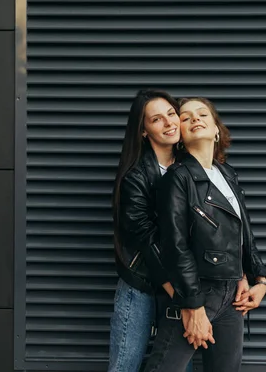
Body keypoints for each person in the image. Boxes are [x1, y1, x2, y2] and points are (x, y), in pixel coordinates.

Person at [143, 97, 266, 372]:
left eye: (202, 115)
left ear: (216, 131)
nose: (195, 119)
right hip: (199, 290)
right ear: (181, 136)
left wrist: (259, 279)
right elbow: (174, 245)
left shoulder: (227, 175)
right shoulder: (176, 179)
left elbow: (244, 232)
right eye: (186, 118)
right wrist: (193, 305)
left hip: (233, 295)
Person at [109, 90, 194, 372]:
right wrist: (177, 290)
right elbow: (146, 240)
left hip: (181, 283)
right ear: (144, 131)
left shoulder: (190, 167)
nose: (169, 123)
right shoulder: (136, 175)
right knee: (125, 365)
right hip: (142, 281)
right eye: (157, 119)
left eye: (172, 114)